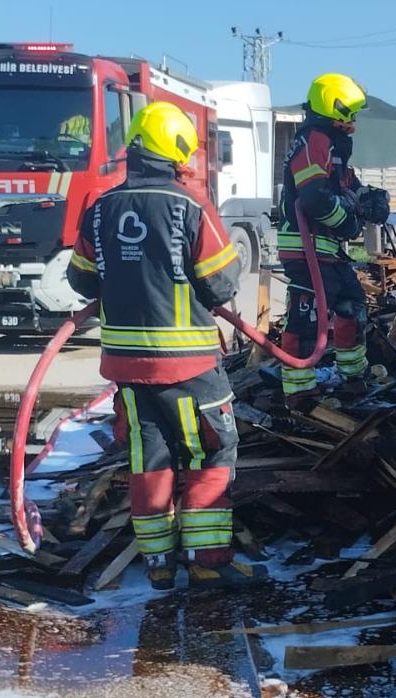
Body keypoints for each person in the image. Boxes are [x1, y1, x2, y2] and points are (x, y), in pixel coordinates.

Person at [66, 101, 259, 591]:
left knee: (148, 457)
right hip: (187, 366)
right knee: (210, 451)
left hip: (127, 369)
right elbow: (220, 285)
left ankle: (159, 564)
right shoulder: (189, 207)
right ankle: (208, 561)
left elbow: (81, 281)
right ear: (175, 151)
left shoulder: (100, 208)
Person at [276, 73, 391, 406]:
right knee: (306, 320)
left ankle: (353, 376)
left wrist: (371, 199)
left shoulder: (333, 146)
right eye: (350, 111)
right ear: (335, 105)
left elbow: (346, 185)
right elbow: (314, 197)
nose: (353, 119)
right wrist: (349, 224)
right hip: (306, 250)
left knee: (352, 306)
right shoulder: (314, 139)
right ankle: (300, 393)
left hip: (327, 252)